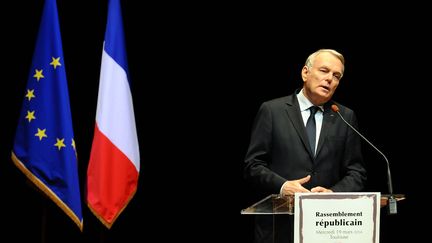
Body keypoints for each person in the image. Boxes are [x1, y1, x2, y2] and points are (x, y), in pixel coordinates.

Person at [243, 49, 367, 243]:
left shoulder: (344, 116)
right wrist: (283, 186)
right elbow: (253, 165)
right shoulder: (272, 111)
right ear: (305, 73)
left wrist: (333, 193)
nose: (329, 79)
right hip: (279, 227)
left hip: (326, 227)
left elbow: (356, 172)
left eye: (336, 76)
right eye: (324, 70)